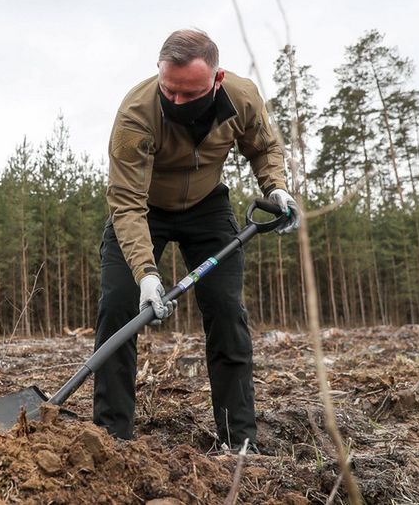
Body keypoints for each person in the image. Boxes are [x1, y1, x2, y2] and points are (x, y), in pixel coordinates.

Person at [94, 28, 298, 453]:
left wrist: (275, 187)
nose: (178, 102)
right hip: (144, 210)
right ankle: (111, 439)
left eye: (191, 94)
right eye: (170, 91)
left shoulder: (241, 97)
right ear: (159, 73)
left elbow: (264, 147)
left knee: (226, 311)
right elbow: (127, 204)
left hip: (207, 208)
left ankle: (238, 438)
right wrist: (147, 274)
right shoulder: (136, 114)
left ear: (216, 79)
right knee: (118, 306)